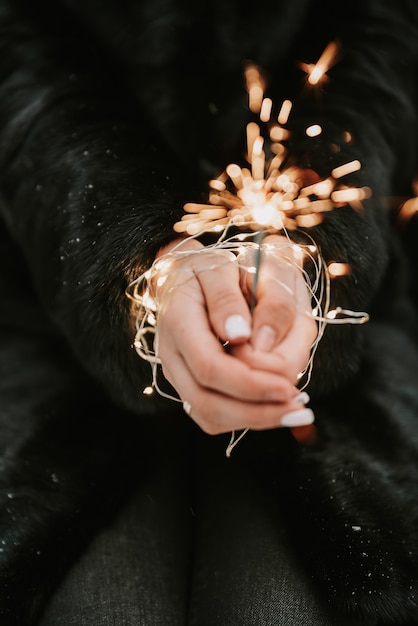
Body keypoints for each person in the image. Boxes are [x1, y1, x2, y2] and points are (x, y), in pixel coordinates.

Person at [1, 0, 418, 624]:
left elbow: (384, 41)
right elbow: (19, 56)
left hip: (351, 344)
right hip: (50, 299)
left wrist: (309, 252)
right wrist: (138, 259)